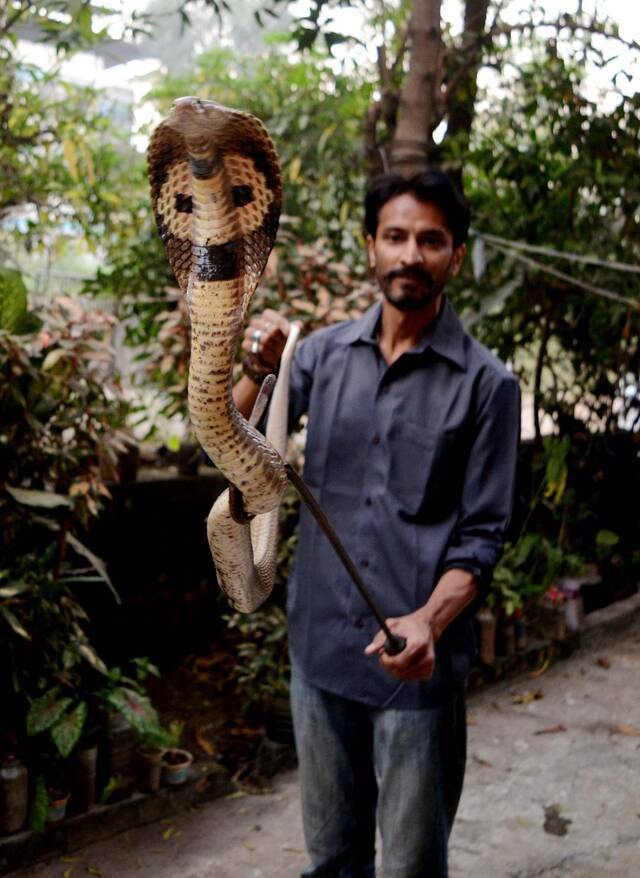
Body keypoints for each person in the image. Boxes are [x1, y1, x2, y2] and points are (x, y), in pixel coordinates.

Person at [233, 170, 520, 878]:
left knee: (412, 865)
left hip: (414, 671)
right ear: (370, 247)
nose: (410, 255)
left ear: (455, 256)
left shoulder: (488, 386)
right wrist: (252, 366)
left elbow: (482, 538)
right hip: (320, 656)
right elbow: (236, 442)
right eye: (394, 236)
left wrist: (428, 619)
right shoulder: (322, 357)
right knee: (332, 859)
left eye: (431, 240)